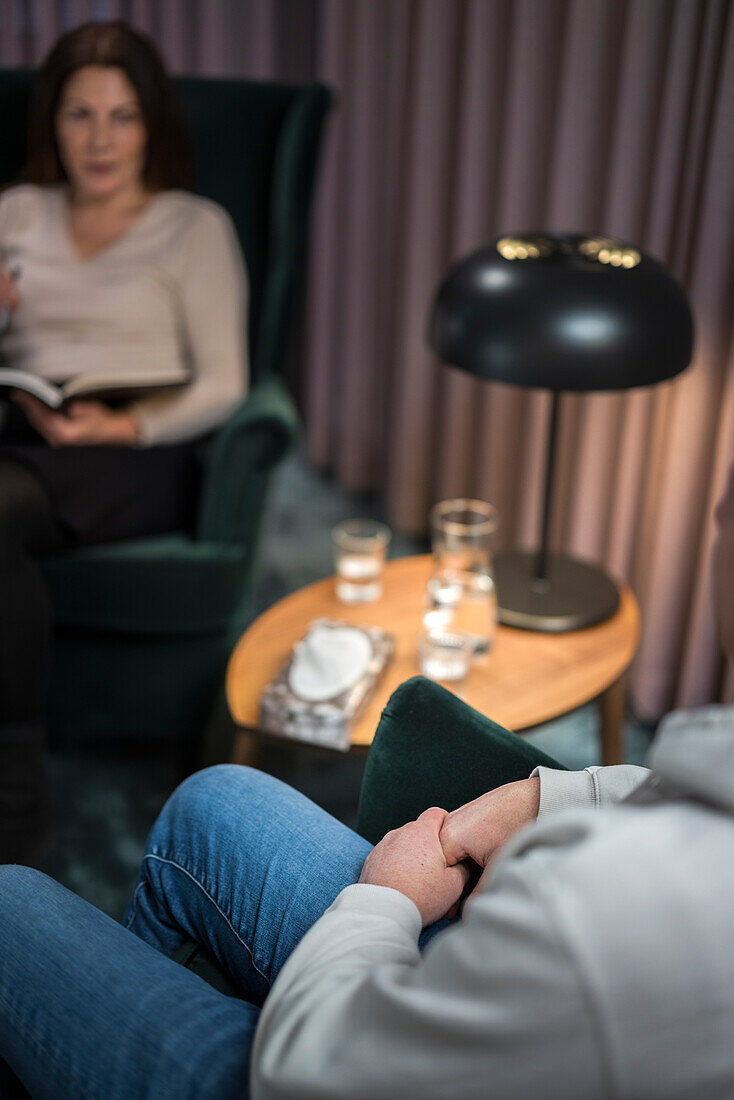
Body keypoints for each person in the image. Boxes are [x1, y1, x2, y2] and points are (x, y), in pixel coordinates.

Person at [1, 471, 733, 1099]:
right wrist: (544, 796)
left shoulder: (616, 910)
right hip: (538, 1011)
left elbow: (310, 1078)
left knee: (9, 903)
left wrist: (386, 899)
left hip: (328, 1071)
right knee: (215, 797)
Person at [0, 22, 248, 863]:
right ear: (52, 124)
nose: (100, 140)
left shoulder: (194, 226)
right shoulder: (15, 211)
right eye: (79, 115)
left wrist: (125, 424)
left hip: (136, 447)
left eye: (123, 116)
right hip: (22, 424)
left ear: (154, 126)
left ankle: (16, 806)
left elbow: (224, 383)